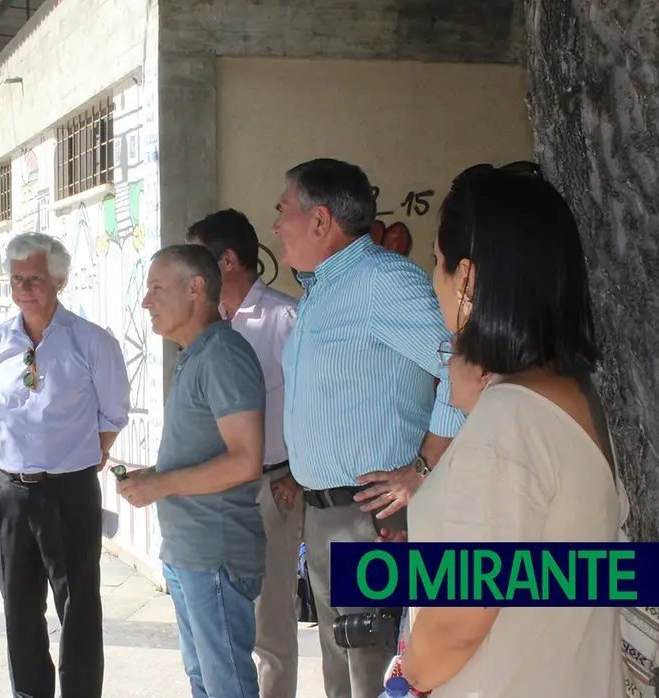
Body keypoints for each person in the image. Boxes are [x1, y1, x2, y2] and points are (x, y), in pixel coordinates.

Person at [392, 163, 622, 696]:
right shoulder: (568, 396)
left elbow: (458, 619)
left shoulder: (511, 421)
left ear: (467, 278)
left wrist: (411, 678)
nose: (435, 282)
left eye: (438, 264)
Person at [272, 158, 466, 698]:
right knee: (343, 670)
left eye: (283, 210)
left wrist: (422, 467)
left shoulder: (381, 280)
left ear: (320, 220)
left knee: (374, 675)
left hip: (372, 517)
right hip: (328, 516)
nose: (275, 226)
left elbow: (459, 364)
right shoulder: (322, 290)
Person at [0, 232, 130, 698]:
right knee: (19, 611)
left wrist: (83, 456)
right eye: (17, 278)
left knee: (79, 609)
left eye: (36, 278)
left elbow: (112, 415)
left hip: (69, 492)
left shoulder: (91, 341)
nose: (25, 287)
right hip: (10, 493)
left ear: (59, 281)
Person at [119, 244, 266, 698]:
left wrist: (160, 483)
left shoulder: (222, 353)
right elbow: (209, 449)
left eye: (157, 288)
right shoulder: (196, 352)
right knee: (205, 681)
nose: (146, 301)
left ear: (196, 288)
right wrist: (153, 475)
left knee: (227, 685)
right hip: (189, 552)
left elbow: (246, 459)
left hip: (213, 554)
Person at [187, 209, 302, 698]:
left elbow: (311, 403)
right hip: (213, 493)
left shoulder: (284, 318)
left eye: (197, 259)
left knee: (269, 628)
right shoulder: (204, 327)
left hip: (267, 490)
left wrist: (297, 474)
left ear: (227, 261)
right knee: (214, 624)